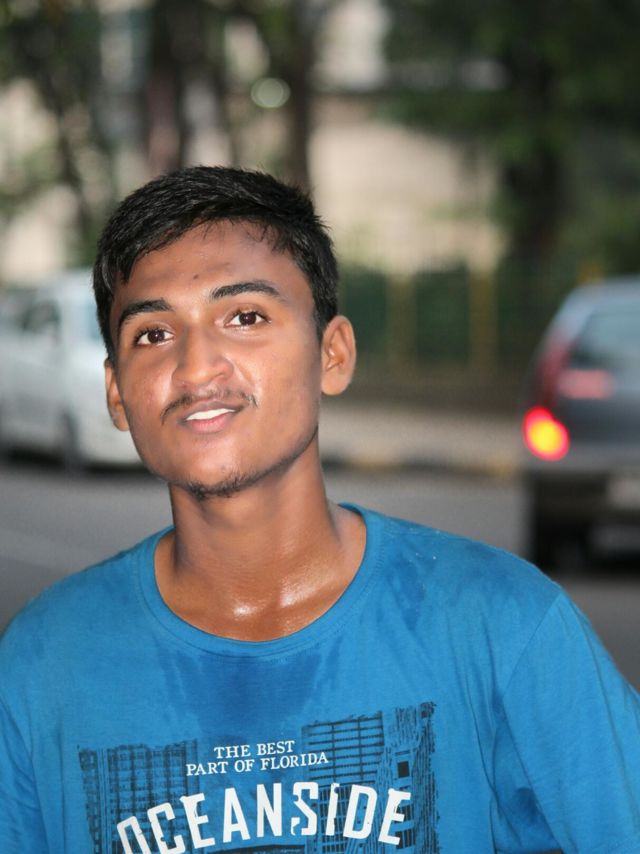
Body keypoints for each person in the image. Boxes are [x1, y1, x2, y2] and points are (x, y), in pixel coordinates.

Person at [0, 165, 639, 854]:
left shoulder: (504, 628)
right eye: (153, 334)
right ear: (117, 394)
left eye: (244, 317)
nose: (196, 367)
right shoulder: (42, 666)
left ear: (332, 354)